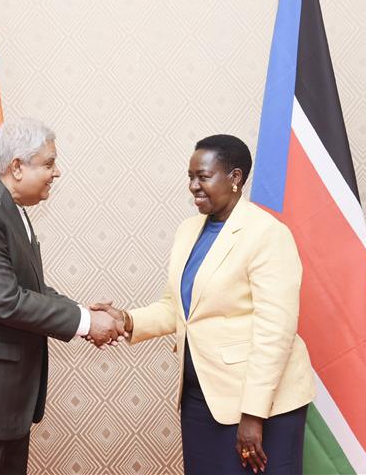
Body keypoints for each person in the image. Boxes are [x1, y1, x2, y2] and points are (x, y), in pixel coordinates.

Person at [94, 134, 315, 475]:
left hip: (259, 404)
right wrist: (124, 319)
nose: (194, 186)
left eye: (203, 177)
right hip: (201, 398)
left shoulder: (267, 234)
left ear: (236, 178)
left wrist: (254, 415)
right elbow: (178, 308)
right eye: (190, 177)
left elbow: (276, 331)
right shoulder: (188, 231)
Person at [0, 117, 125, 475]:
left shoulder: (5, 207)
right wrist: (88, 322)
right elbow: (7, 300)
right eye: (48, 163)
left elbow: (31, 291)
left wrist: (81, 312)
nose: (56, 173)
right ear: (16, 167)